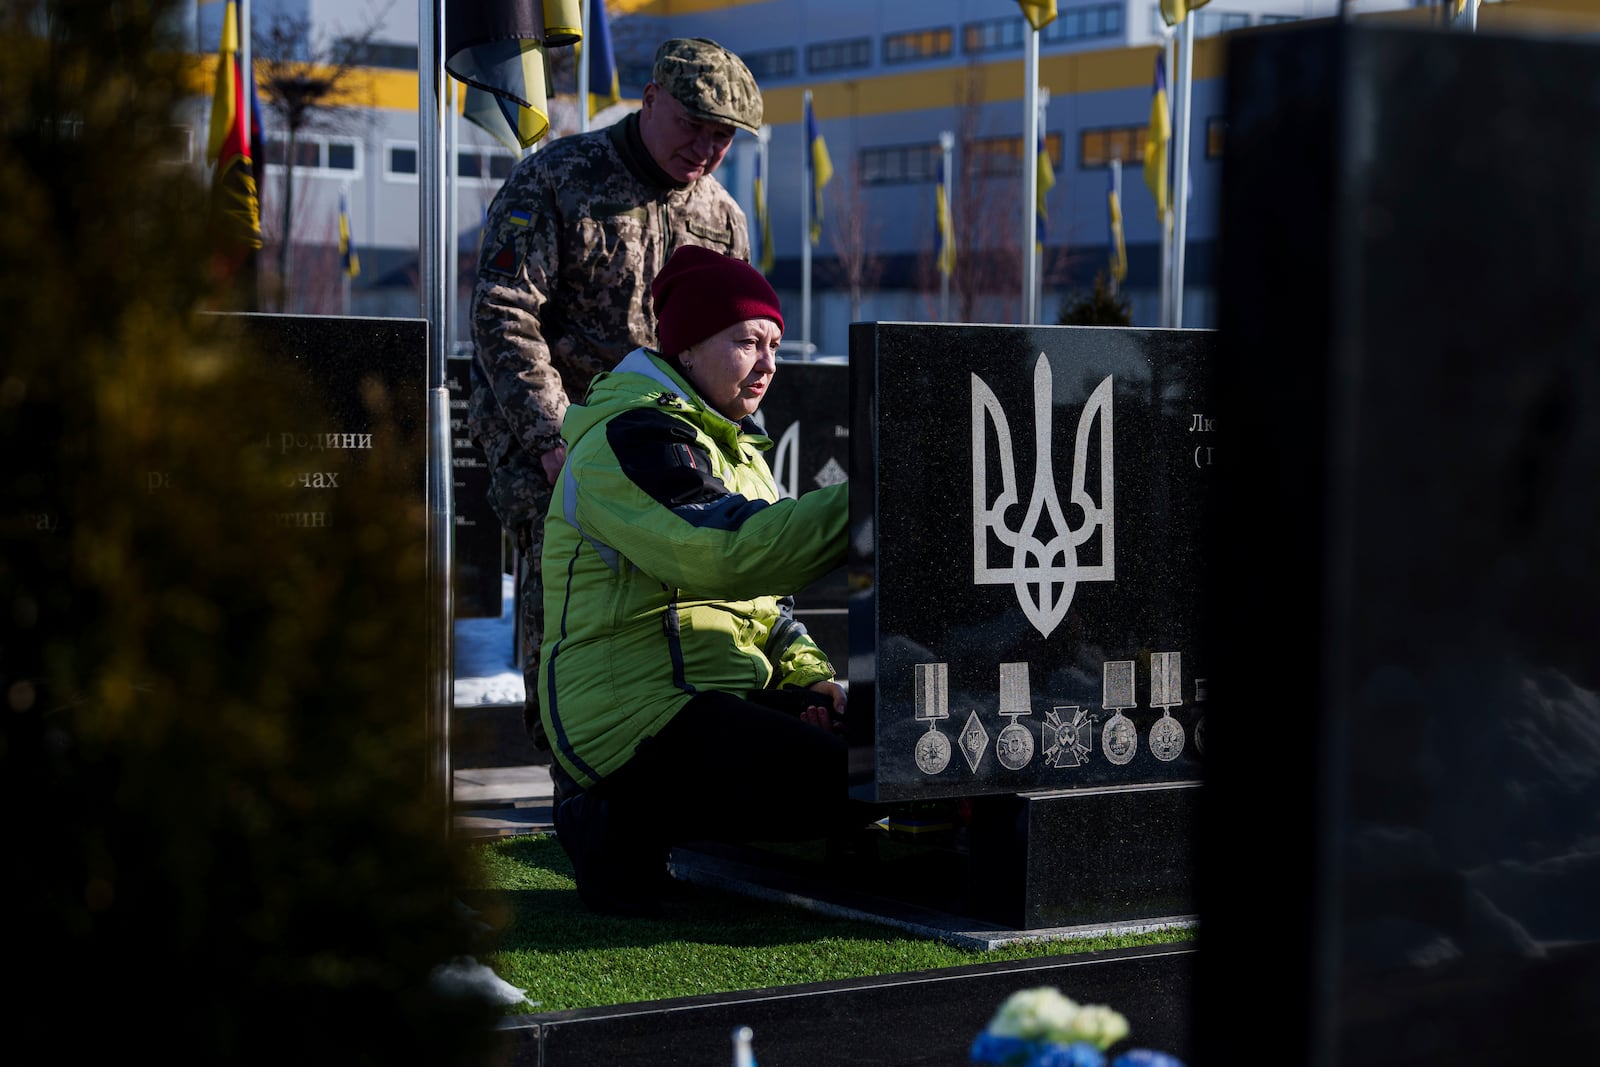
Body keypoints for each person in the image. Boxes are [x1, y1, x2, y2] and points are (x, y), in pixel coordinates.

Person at [467, 38, 763, 770]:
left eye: (722, 136)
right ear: (651, 98)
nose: (705, 147)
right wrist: (551, 436)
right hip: (556, 448)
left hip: (665, 450)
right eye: (692, 124)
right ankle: (573, 781)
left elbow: (734, 339)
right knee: (566, 621)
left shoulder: (722, 219)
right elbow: (504, 310)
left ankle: (659, 783)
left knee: (673, 621)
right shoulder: (559, 179)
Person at [539, 246, 861, 917]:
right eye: (747, 342)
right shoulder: (633, 436)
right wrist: (874, 505)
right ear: (686, 349)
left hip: (709, 697)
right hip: (636, 719)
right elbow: (726, 552)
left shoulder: (737, 446)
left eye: (774, 344)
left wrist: (813, 682)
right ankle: (605, 821)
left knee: (879, 748)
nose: (769, 364)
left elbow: (771, 612)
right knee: (851, 782)